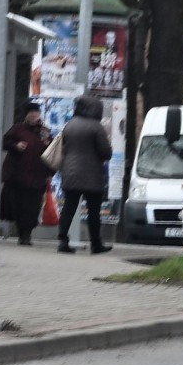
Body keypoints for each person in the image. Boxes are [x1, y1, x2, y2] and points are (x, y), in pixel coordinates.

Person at [57, 95, 113, 254]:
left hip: (70, 172)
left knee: (68, 208)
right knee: (93, 211)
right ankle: (96, 244)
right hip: (91, 175)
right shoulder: (96, 126)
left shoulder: (70, 124)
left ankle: (62, 241)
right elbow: (105, 152)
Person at [0, 102, 55, 246]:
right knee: (19, 206)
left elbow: (52, 153)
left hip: (38, 177)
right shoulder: (18, 129)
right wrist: (15, 145)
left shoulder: (45, 132)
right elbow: (4, 142)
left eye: (36, 114)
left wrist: (50, 173)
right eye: (31, 114)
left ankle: (27, 235)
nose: (34, 116)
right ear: (26, 115)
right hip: (18, 176)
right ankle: (22, 234)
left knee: (32, 208)